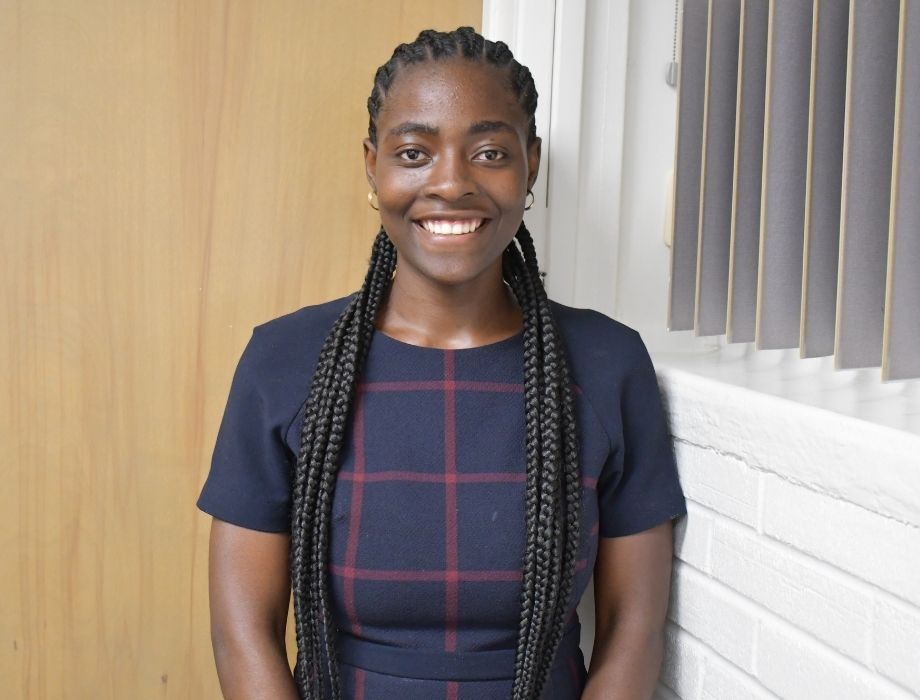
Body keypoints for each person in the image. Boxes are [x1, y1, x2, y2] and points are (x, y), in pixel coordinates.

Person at [197, 26, 686, 700]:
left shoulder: (607, 365)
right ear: (373, 166)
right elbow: (241, 628)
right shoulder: (284, 363)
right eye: (413, 153)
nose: (451, 182)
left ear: (530, 165)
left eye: (488, 152)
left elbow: (635, 625)